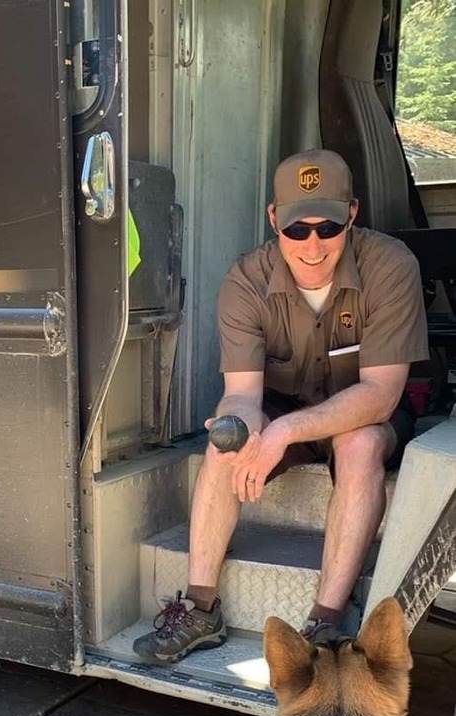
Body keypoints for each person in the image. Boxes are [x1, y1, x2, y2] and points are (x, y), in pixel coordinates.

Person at [134, 148, 429, 665]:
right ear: (275, 220)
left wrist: (285, 431)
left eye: (328, 226)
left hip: (363, 417)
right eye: (297, 230)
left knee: (359, 444)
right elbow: (244, 395)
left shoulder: (391, 266)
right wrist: (246, 428)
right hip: (282, 410)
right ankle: (201, 609)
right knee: (225, 440)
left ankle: (324, 623)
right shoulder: (246, 279)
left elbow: (381, 394)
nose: (312, 245)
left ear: (352, 214)